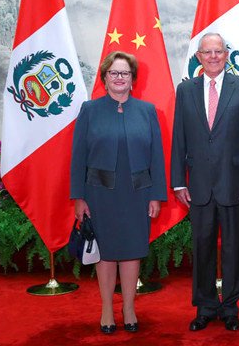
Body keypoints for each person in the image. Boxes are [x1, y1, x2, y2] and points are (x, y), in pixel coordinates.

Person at [70, 51, 167, 334]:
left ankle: (129, 308)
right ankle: (106, 310)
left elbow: (156, 157)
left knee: (132, 251)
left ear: (133, 78)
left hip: (138, 194)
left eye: (125, 73)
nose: (119, 78)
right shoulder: (89, 110)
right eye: (113, 73)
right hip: (99, 194)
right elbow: (78, 157)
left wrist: (156, 195)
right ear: (104, 78)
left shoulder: (147, 111)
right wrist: (78, 197)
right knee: (106, 253)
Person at [171, 32, 239, 332]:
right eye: (207, 52)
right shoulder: (185, 90)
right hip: (198, 185)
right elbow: (179, 137)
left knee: (234, 248)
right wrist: (178, 182)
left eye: (218, 51)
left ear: (226, 55)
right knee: (202, 247)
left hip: (235, 183)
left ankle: (231, 307)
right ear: (199, 56)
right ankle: (206, 306)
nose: (213, 57)